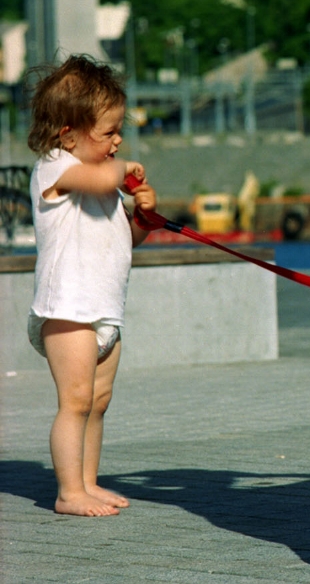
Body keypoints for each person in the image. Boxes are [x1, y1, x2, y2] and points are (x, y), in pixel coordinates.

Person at [26, 55, 158, 517]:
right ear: (68, 134)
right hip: (67, 309)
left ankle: (87, 481)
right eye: (108, 132)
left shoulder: (104, 181)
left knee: (98, 403)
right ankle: (68, 492)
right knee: (76, 401)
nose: (118, 140)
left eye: (119, 129)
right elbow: (100, 175)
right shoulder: (54, 169)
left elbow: (130, 239)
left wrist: (141, 213)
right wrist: (123, 172)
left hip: (105, 310)